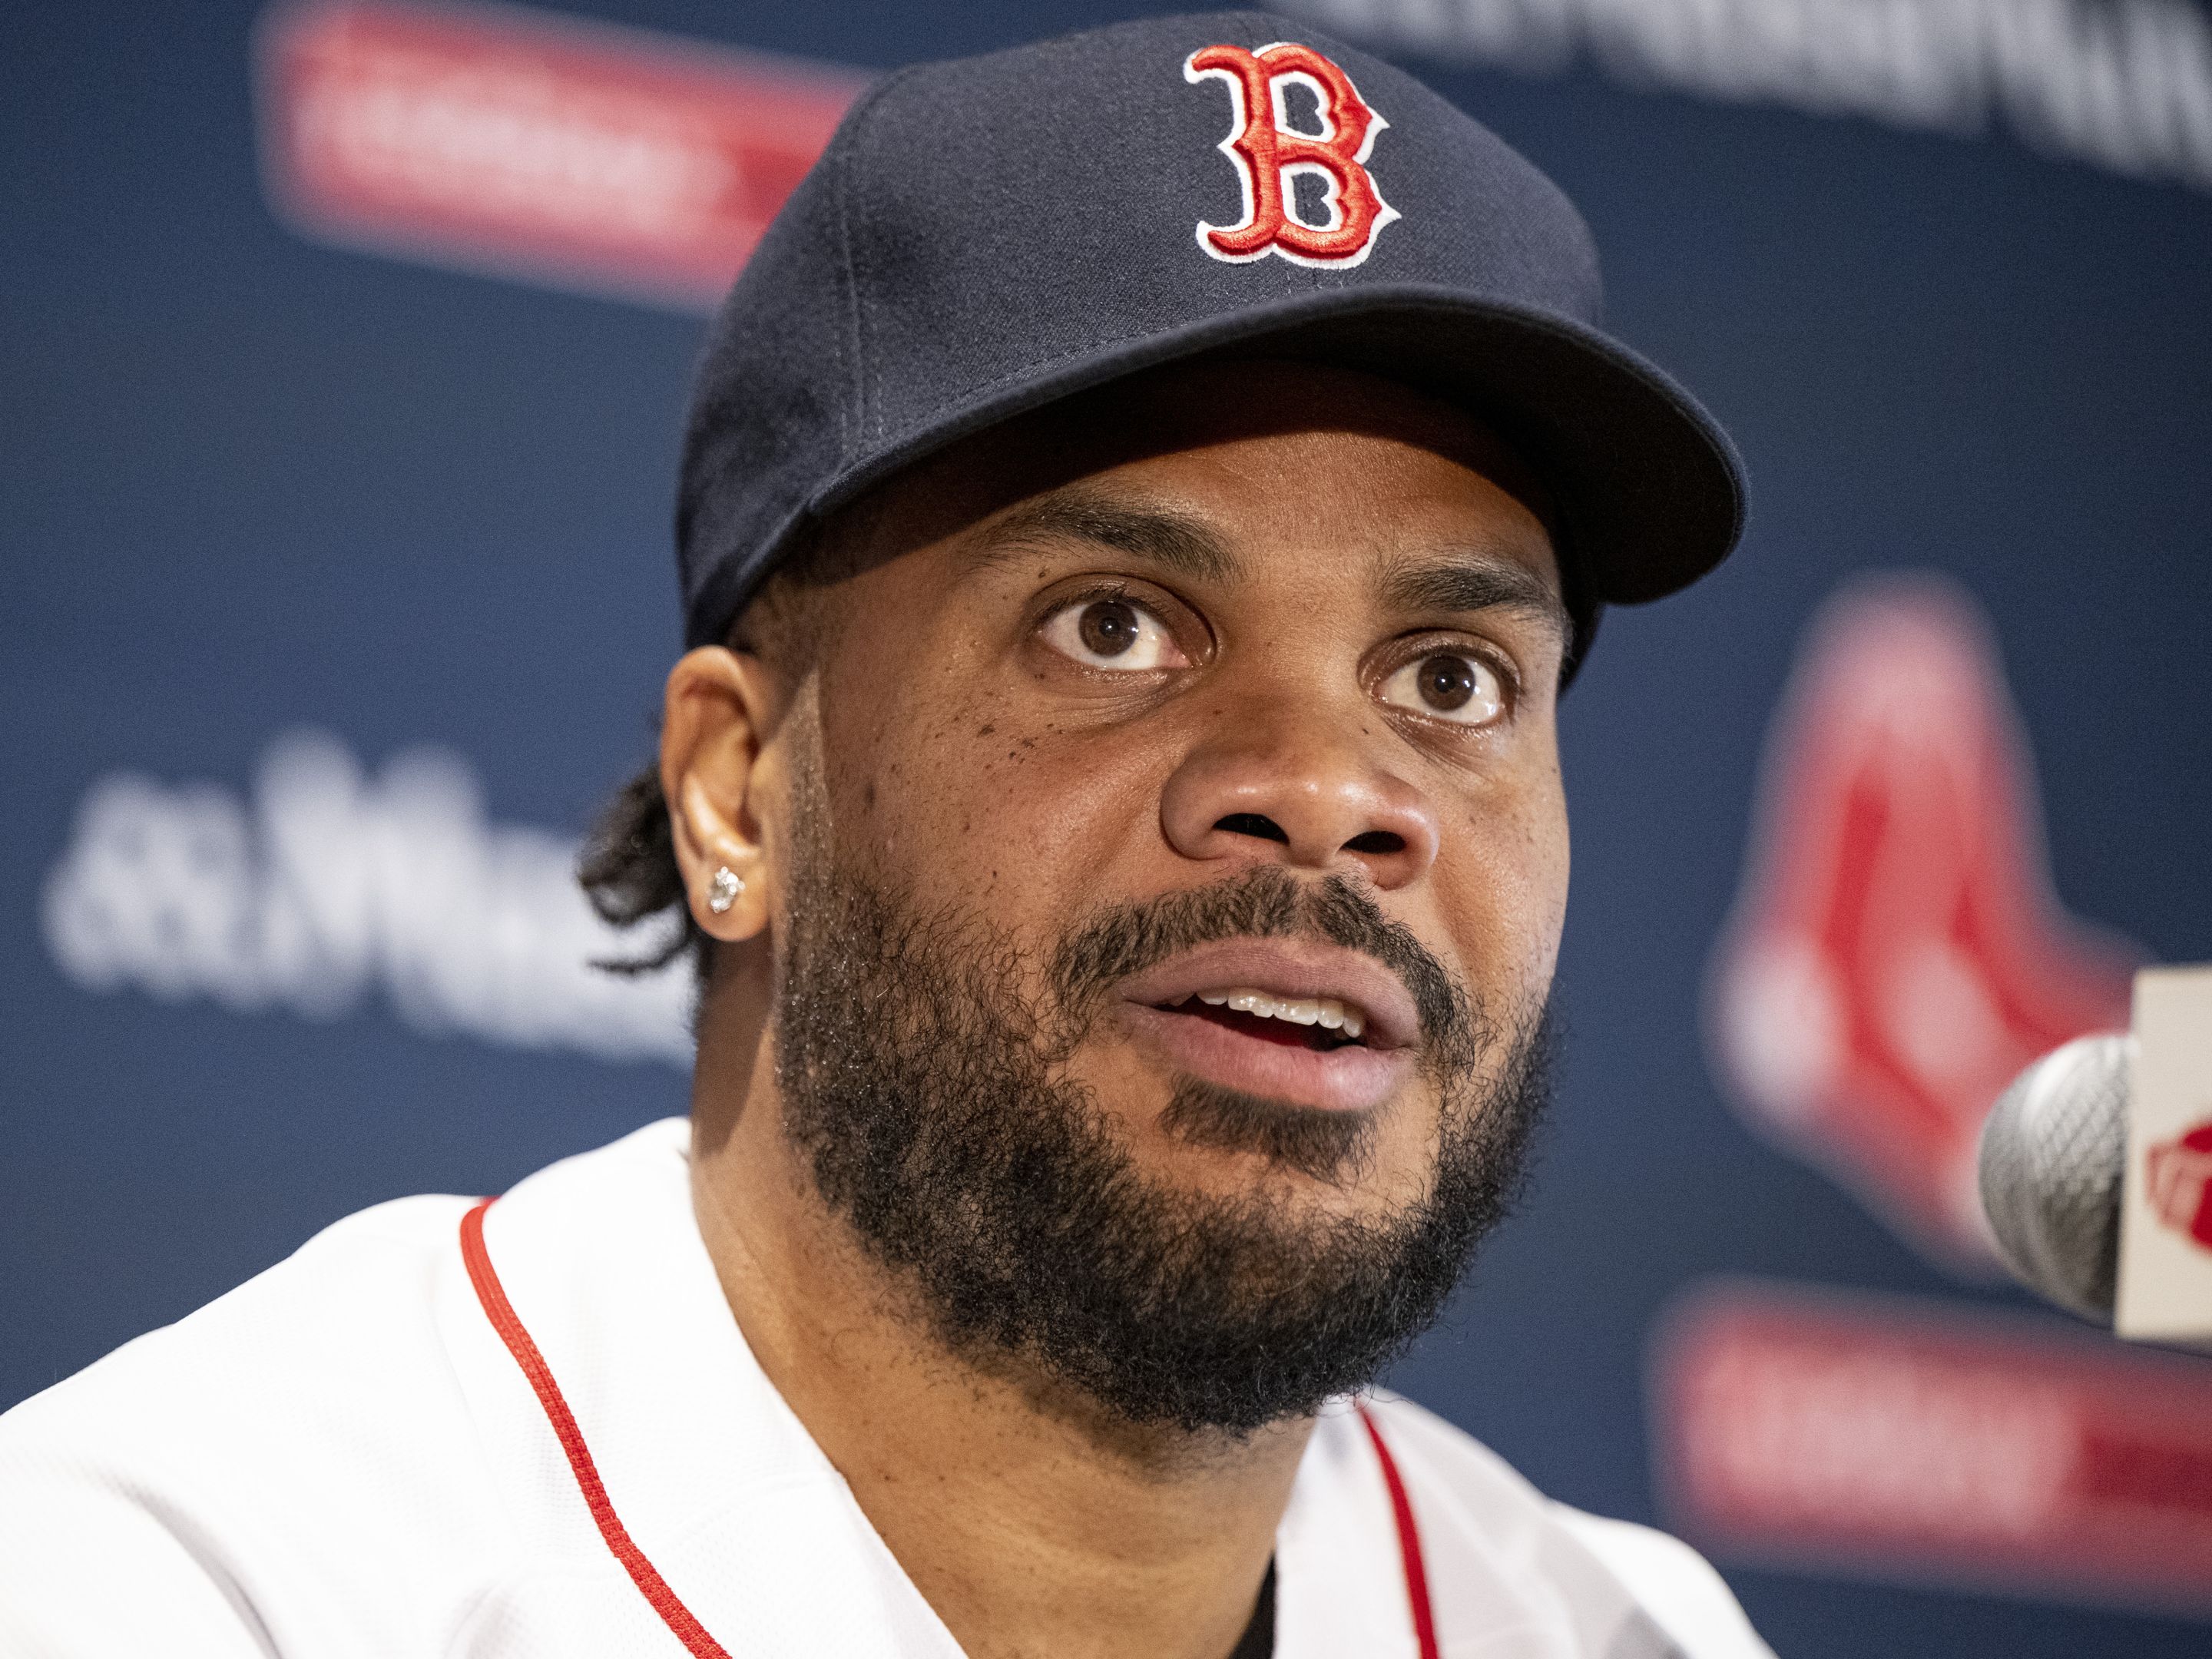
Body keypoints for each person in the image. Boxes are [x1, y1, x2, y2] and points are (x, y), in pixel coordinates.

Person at [0, 12, 1769, 1657]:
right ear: (736, 787)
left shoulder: (1629, 1635)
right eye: (1114, 626)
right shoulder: (196, 1583)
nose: (1330, 789)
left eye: (1452, 679)